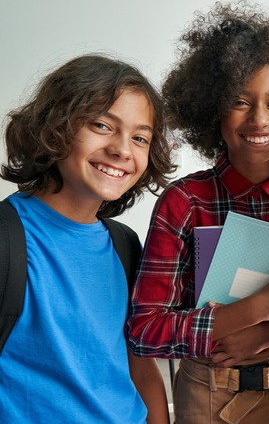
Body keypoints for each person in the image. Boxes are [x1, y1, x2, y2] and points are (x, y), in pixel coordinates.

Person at [125, 0, 269, 424]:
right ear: (212, 110)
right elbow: (145, 331)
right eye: (240, 101)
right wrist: (254, 310)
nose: (259, 119)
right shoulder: (184, 203)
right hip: (208, 393)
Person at [0, 54, 174, 423]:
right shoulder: (7, 239)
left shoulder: (125, 245)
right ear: (55, 125)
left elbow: (140, 369)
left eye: (140, 137)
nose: (123, 149)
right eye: (101, 125)